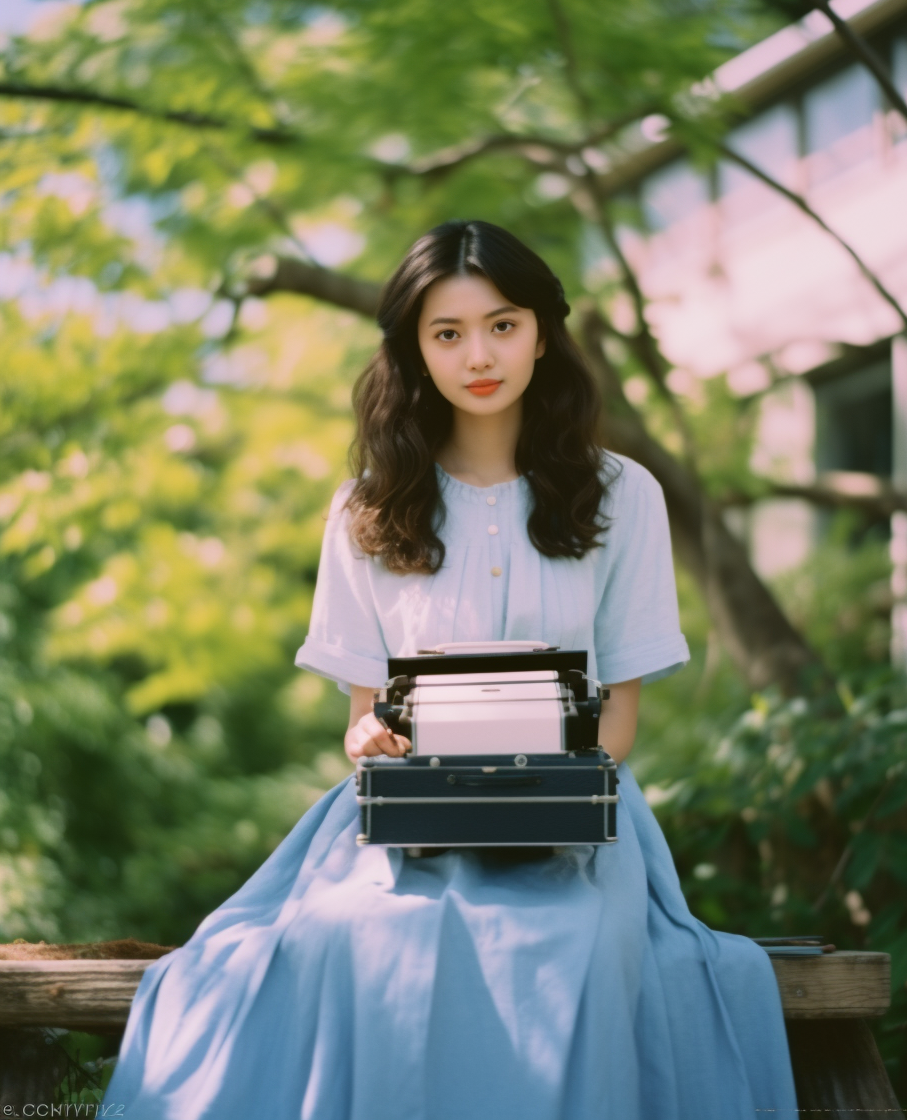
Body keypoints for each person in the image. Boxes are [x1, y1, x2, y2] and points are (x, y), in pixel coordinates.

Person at [101, 220, 799, 1119]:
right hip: (403, 825)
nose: (479, 354)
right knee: (359, 940)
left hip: (572, 823)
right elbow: (361, 720)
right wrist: (371, 738)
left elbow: (618, 722)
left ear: (544, 333)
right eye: (448, 333)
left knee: (580, 952)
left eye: (503, 325)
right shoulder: (366, 506)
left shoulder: (625, 496)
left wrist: (545, 785)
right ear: (413, 350)